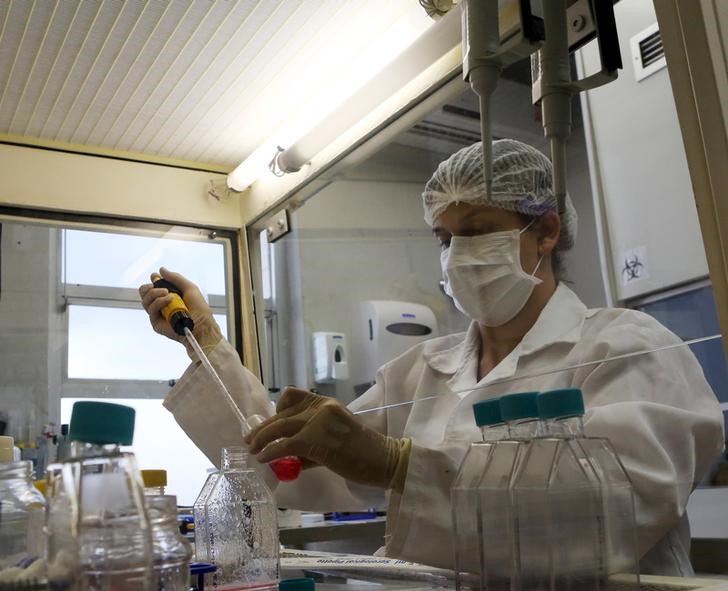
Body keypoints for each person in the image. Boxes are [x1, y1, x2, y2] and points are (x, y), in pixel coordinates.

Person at [140, 139, 723, 575]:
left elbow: (609, 512)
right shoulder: (420, 370)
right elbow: (281, 470)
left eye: (477, 230)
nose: (457, 255)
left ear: (545, 231)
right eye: (445, 238)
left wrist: (398, 466)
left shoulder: (630, 348)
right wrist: (209, 343)